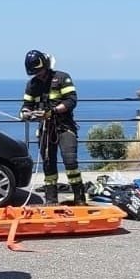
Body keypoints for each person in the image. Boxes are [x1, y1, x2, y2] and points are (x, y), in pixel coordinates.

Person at [20, 50, 86, 206]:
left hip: (64, 127)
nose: (39, 75)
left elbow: (71, 101)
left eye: (40, 72)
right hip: (45, 129)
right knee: (48, 164)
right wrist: (25, 113)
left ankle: (80, 198)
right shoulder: (32, 85)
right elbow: (26, 105)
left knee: (70, 162)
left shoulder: (62, 78)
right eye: (36, 73)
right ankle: (51, 200)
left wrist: (54, 111)